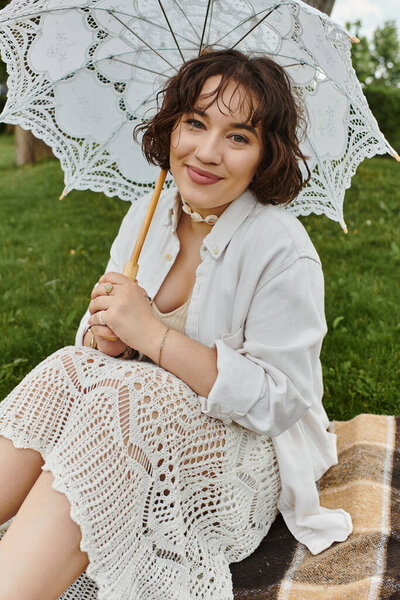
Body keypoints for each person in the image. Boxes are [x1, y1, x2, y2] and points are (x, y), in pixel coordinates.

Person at [0, 49, 352, 600]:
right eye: (195, 123)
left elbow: (279, 401)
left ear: (266, 155)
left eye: (238, 136)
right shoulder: (148, 215)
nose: (207, 152)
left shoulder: (282, 249)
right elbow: (100, 352)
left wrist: (154, 338)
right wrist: (106, 337)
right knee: (68, 367)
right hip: (132, 421)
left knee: (131, 396)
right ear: (171, 126)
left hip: (241, 461)